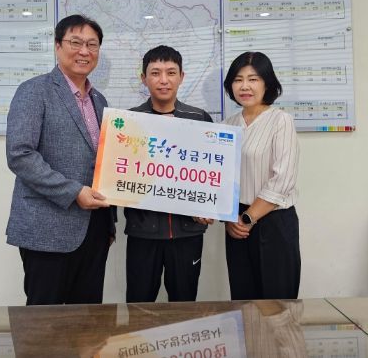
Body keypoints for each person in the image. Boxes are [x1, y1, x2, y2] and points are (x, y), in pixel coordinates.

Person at [5, 14, 114, 305]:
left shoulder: (100, 100)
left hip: (94, 229)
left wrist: (109, 224)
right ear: (57, 46)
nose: (84, 51)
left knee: (88, 319)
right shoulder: (34, 91)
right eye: (75, 43)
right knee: (44, 320)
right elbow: (20, 155)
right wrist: (74, 192)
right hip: (47, 228)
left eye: (92, 44)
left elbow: (103, 162)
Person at [125, 45, 214, 303]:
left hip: (188, 232)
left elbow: (212, 175)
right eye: (155, 73)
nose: (163, 80)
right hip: (143, 232)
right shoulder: (130, 120)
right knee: (139, 306)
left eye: (171, 73)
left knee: (184, 305)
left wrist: (210, 208)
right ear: (144, 78)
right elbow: (117, 175)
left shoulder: (199, 119)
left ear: (181, 77)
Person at [222, 51, 300, 300]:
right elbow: (220, 180)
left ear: (267, 83)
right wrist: (230, 219)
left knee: (277, 306)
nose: (244, 86)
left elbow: (282, 180)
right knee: (243, 302)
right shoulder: (226, 125)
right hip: (236, 225)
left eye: (253, 79)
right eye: (238, 79)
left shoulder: (281, 120)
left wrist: (248, 218)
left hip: (273, 222)